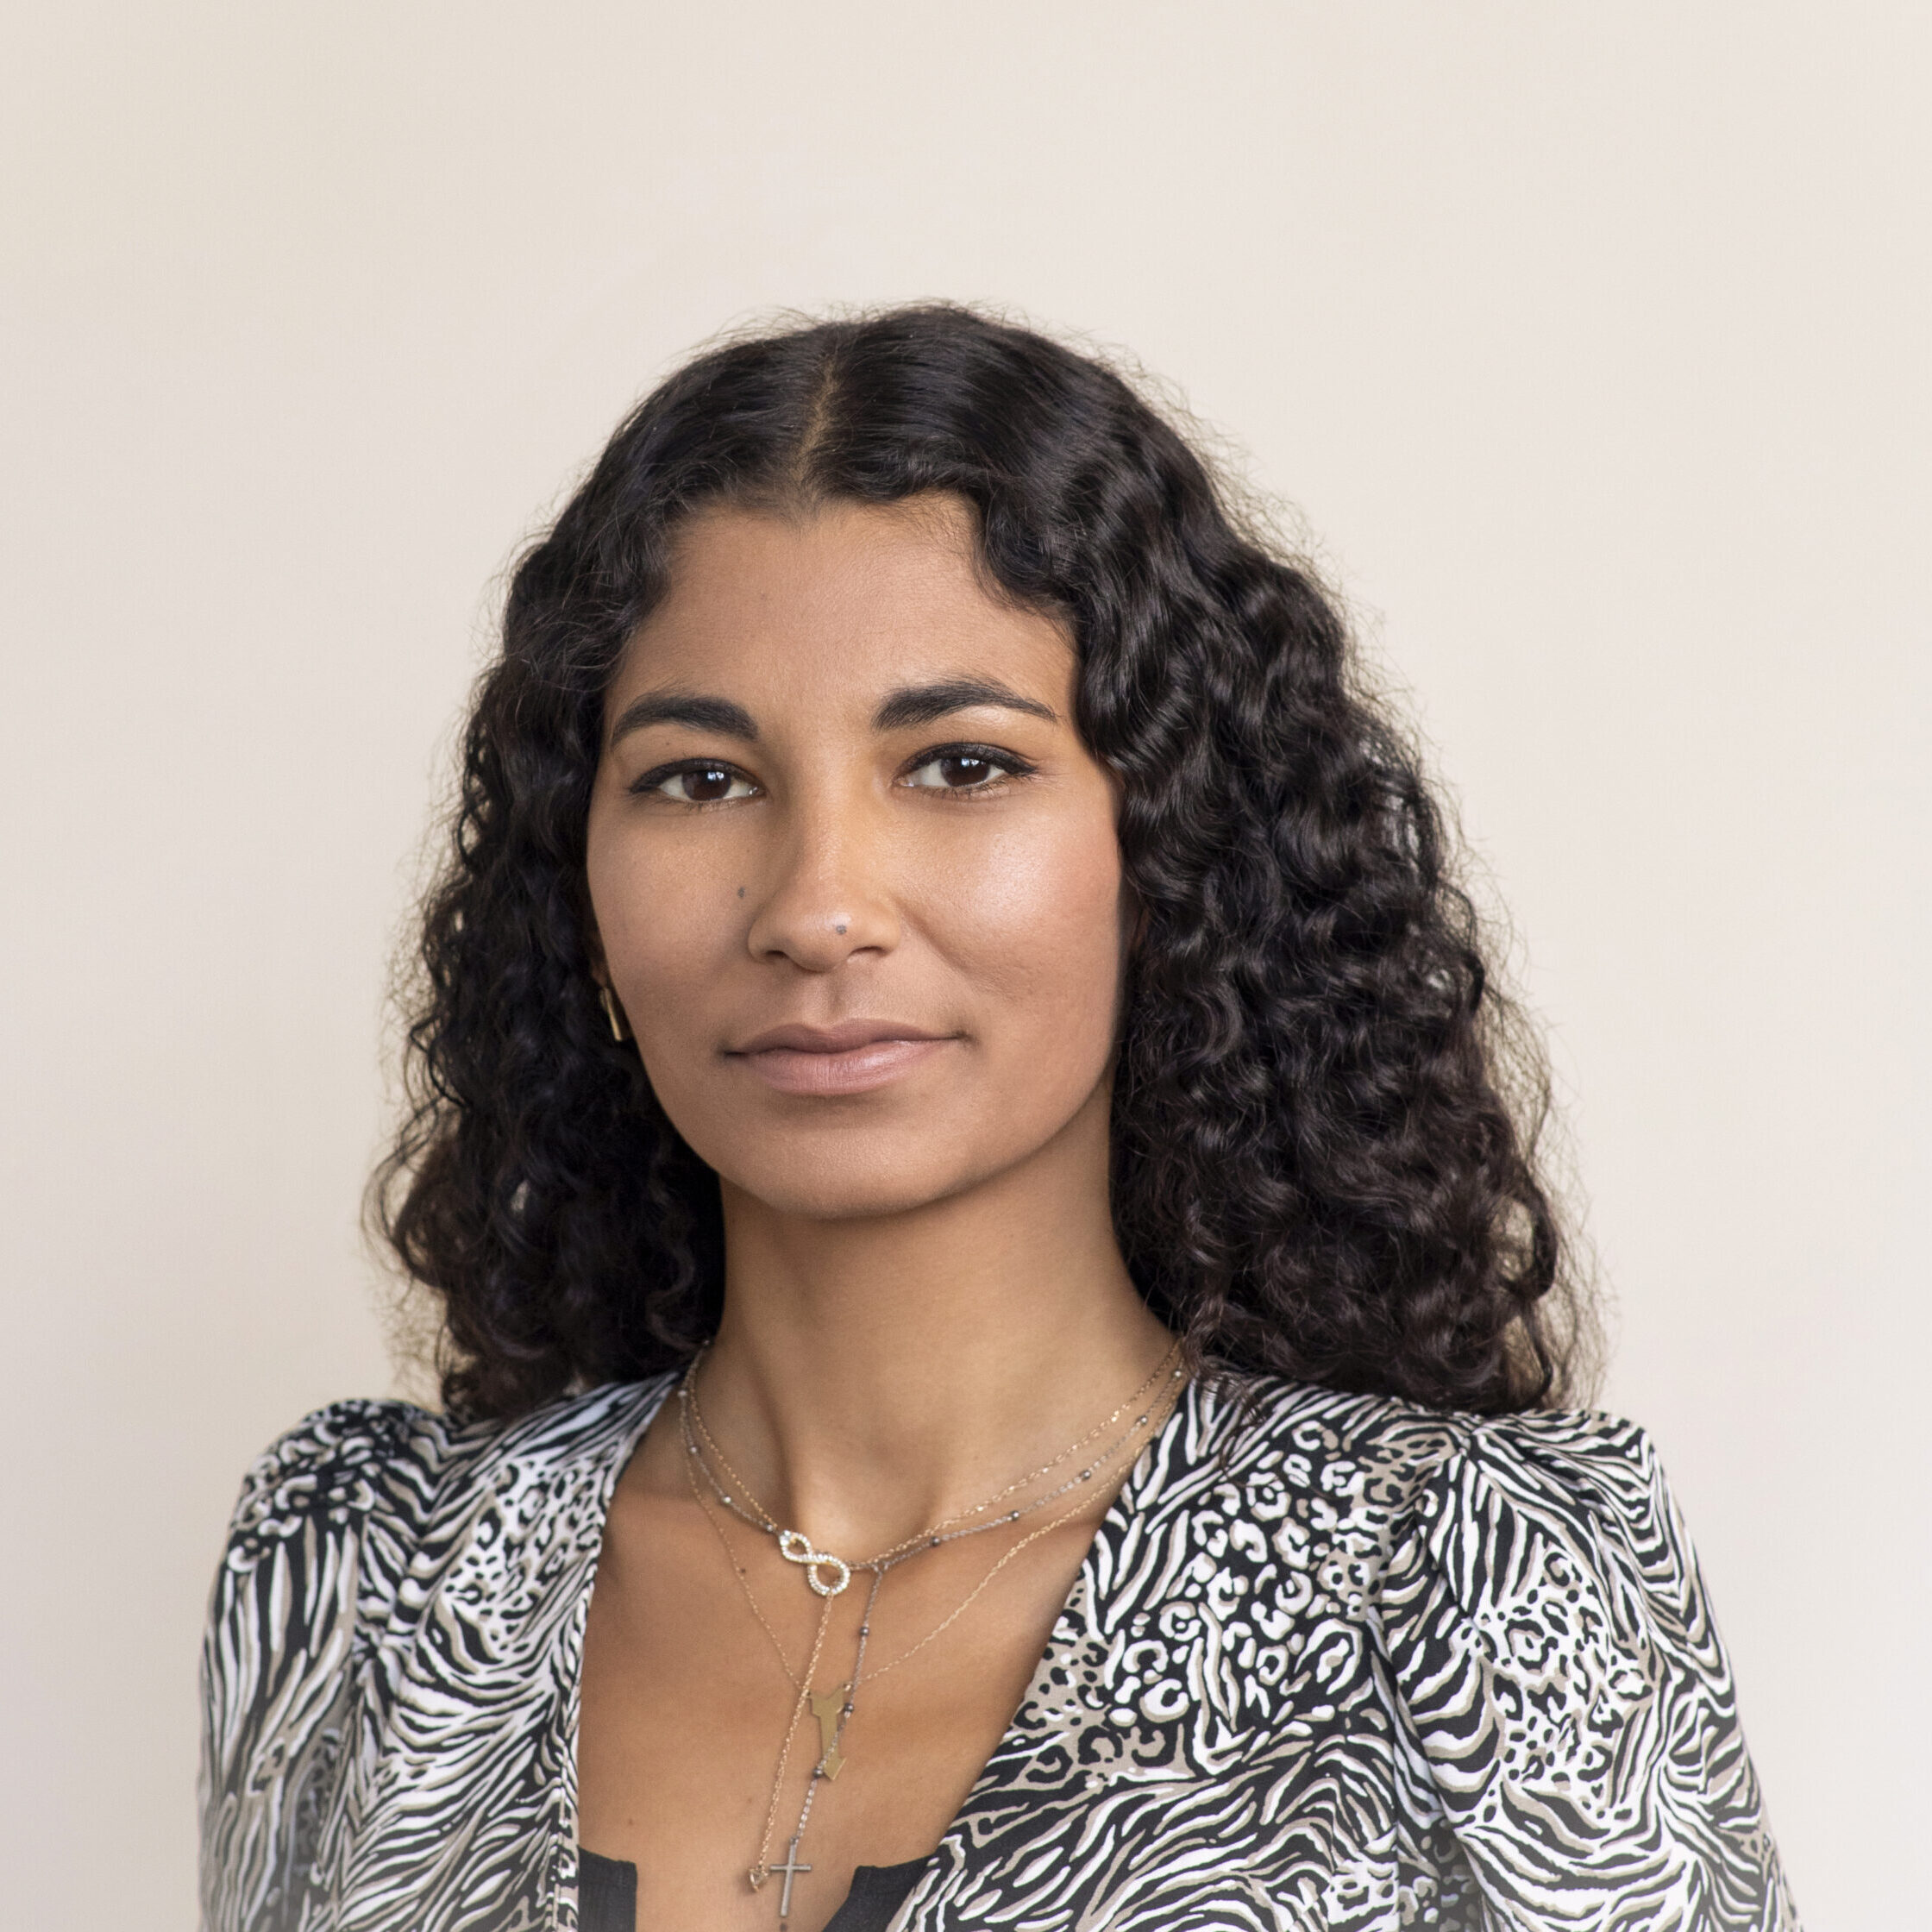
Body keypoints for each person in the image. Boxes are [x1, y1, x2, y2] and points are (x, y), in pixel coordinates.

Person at [198, 306, 1797, 1932]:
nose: (819, 908)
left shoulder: (1464, 1581)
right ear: (577, 876)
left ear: (1168, 846)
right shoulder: (363, 1578)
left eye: (961, 765)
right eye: (698, 778)